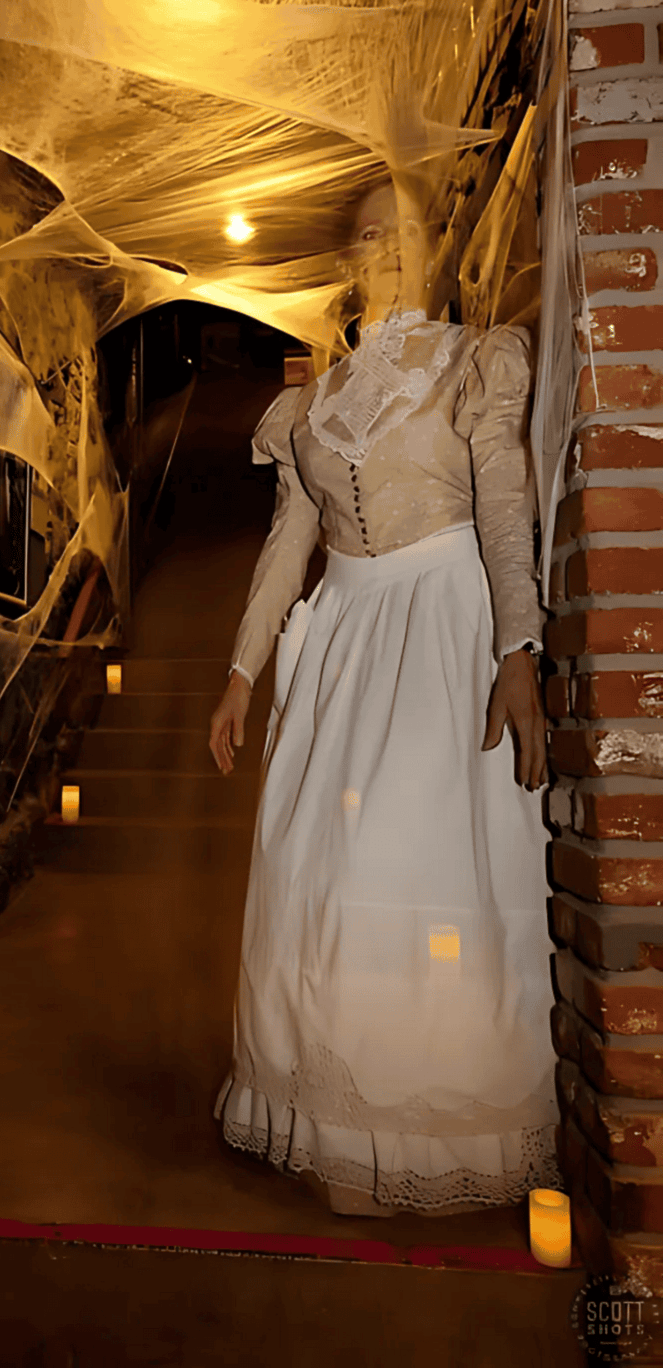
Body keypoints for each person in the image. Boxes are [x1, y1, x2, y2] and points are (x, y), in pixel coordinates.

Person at [208, 178, 561, 1217]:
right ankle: (343, 1122)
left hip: (444, 623)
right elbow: (289, 541)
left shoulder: (475, 360)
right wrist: (241, 671)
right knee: (315, 868)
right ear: (350, 258)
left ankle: (443, 1113)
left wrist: (518, 645)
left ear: (436, 247)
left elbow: (504, 507)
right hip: (344, 647)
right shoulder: (310, 402)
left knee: (416, 863)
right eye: (364, 233)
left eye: (401, 230)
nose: (383, 247)